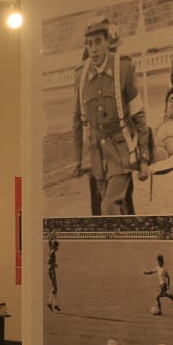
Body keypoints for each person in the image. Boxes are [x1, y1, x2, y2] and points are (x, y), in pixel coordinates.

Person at [72, 22, 146, 215]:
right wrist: (77, 159)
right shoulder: (80, 76)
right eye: (89, 44)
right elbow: (77, 120)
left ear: (107, 42)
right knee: (112, 207)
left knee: (109, 207)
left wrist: (144, 158)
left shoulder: (124, 69)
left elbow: (138, 114)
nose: (93, 49)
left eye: (98, 42)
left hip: (121, 152)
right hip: (97, 155)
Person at [45, 239, 60, 311]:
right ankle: (52, 303)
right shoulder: (52, 253)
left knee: (55, 288)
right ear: (55, 246)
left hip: (52, 270)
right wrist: (54, 265)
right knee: (55, 287)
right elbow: (48, 262)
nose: (58, 248)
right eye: (57, 247)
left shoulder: (52, 251)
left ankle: (53, 304)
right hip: (51, 271)